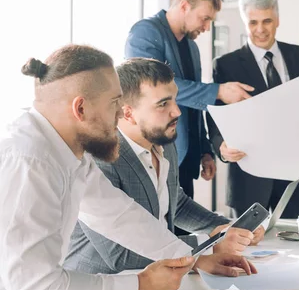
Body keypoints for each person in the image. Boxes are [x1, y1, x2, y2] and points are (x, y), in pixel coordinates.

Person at [0, 45, 255, 290]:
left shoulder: (69, 151)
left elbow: (119, 215)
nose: (122, 114)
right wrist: (141, 284)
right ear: (81, 109)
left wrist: (194, 259)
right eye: (114, 103)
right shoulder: (29, 163)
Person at [65, 58, 265, 275]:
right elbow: (120, 255)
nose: (177, 112)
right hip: (103, 285)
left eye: (175, 100)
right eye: (163, 104)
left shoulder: (163, 142)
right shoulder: (100, 160)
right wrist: (210, 244)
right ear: (128, 113)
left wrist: (223, 228)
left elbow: (174, 203)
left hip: (161, 276)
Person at [125, 0, 254, 203]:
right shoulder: (145, 31)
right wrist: (218, 92)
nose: (206, 28)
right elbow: (156, 88)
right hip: (157, 153)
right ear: (184, 6)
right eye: (204, 19)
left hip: (185, 157)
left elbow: (193, 106)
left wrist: (205, 150)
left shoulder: (192, 47)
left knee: (185, 231)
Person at [207, 0, 299, 217]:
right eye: (253, 22)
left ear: (278, 20)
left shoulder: (298, 55)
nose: (260, 29)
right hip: (249, 180)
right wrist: (221, 147)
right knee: (248, 251)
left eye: (267, 21)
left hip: (294, 175)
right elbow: (216, 121)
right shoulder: (226, 64)